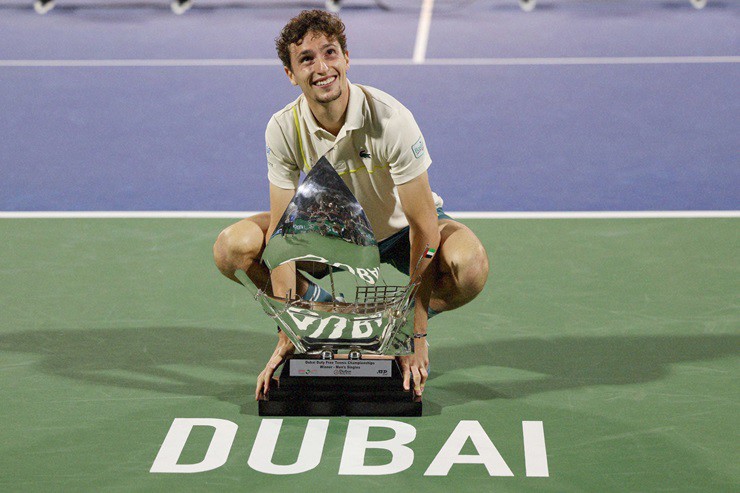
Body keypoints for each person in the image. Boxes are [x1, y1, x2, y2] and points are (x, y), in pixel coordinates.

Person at [213, 10, 489, 401]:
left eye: (330, 53)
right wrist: (288, 329)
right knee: (232, 247)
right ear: (291, 74)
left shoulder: (391, 119)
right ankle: (325, 309)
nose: (322, 67)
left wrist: (414, 331)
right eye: (306, 59)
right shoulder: (282, 128)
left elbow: (425, 228)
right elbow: (282, 234)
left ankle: (390, 318)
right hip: (330, 235)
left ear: (346, 58)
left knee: (471, 265)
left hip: (399, 233)